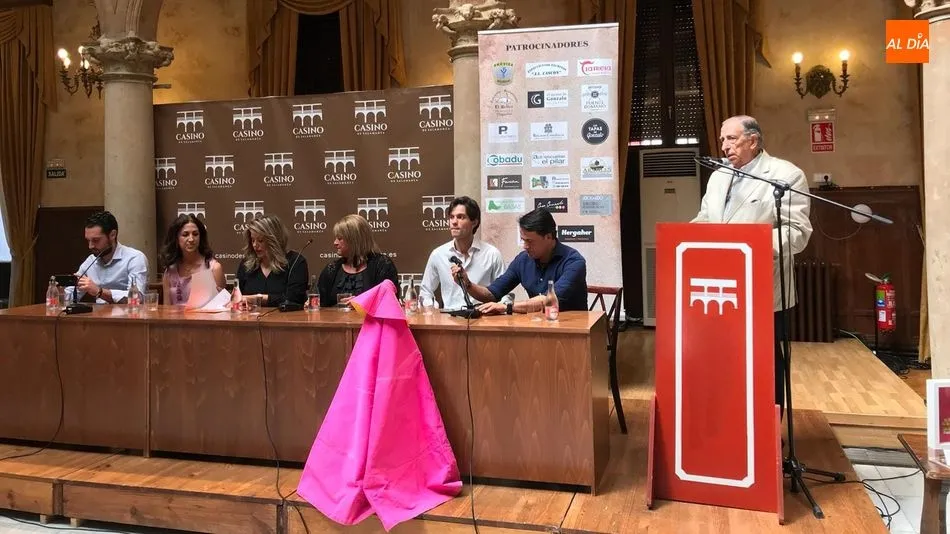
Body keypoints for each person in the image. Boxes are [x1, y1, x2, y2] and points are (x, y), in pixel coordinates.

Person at [690, 115, 813, 416]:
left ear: (753, 141)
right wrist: (684, 238)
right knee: (725, 359)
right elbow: (706, 219)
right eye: (722, 140)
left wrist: (749, 245)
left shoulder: (785, 175)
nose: (724, 146)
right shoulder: (719, 176)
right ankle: (730, 422)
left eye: (731, 139)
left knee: (765, 363)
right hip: (720, 290)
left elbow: (797, 233)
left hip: (763, 289)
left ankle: (768, 428)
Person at [454, 207, 587, 315]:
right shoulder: (523, 260)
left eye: (530, 241)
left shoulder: (574, 261)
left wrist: (507, 307)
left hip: (573, 331)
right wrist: (468, 284)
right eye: (523, 240)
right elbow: (491, 294)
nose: (525, 246)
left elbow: (549, 300)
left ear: (548, 237)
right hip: (538, 327)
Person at [419, 196, 507, 311]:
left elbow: (505, 294)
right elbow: (425, 292)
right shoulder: (438, 254)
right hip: (449, 318)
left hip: (483, 317)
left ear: (474, 222)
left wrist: (500, 310)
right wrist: (431, 313)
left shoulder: (492, 254)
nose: (454, 222)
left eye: (460, 217)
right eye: (451, 217)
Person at [317, 214, 398, 307]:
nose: (335, 243)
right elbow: (321, 304)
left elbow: (389, 303)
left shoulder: (382, 265)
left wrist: (361, 303)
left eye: (340, 238)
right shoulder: (332, 268)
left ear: (354, 240)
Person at [67, 211, 148, 304]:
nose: (90, 246)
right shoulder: (90, 261)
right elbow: (70, 294)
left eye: (96, 240)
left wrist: (99, 292)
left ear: (112, 235)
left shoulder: (134, 258)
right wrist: (59, 291)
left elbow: (136, 297)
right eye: (88, 241)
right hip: (100, 312)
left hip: (128, 312)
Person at [236, 215, 308, 308]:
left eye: (260, 240)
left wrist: (256, 298)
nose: (255, 245)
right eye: (253, 240)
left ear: (274, 240)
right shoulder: (246, 264)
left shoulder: (296, 262)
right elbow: (237, 296)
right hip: (250, 316)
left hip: (286, 316)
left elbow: (293, 299)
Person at [160, 214, 226, 306]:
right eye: (185, 235)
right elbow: (166, 309)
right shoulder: (169, 272)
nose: (191, 239)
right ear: (176, 238)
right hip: (175, 316)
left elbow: (223, 308)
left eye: (195, 234)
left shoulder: (214, 268)